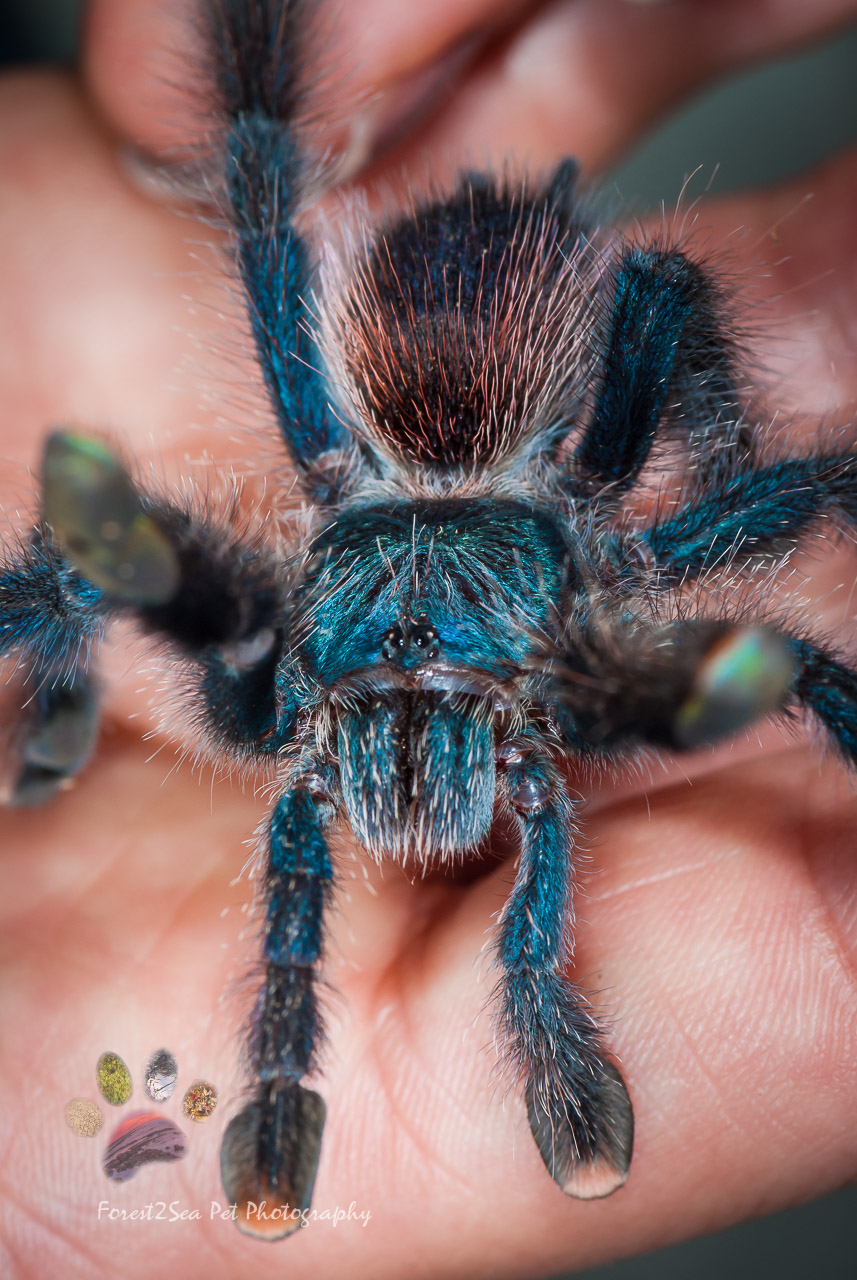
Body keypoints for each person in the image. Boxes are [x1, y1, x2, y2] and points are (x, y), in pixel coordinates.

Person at [1, 0, 856, 1273]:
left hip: (476, 411)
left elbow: (680, 324)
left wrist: (722, 452)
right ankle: (311, 1065)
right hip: (453, 385)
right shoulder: (301, 626)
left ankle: (516, 1012)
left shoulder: (569, 595)